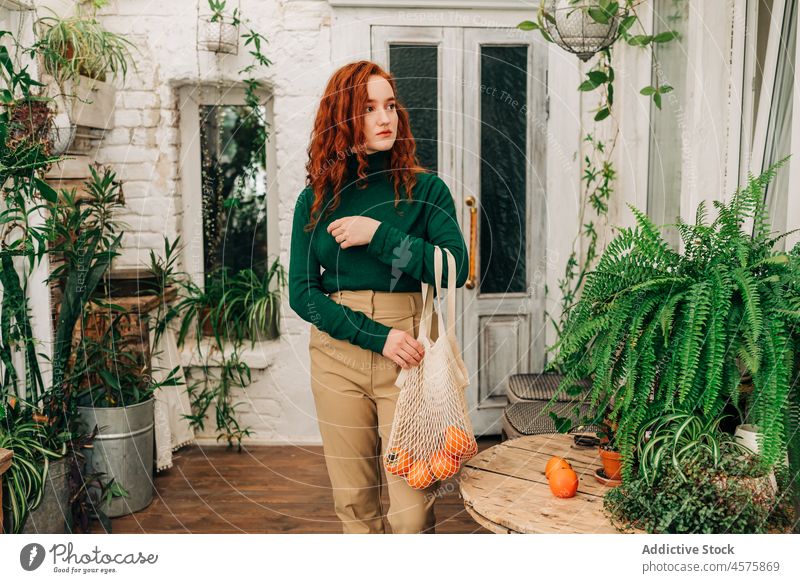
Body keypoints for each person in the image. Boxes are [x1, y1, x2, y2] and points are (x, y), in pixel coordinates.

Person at [288, 60, 469, 534]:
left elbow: (454, 269)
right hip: (337, 353)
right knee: (356, 509)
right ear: (344, 118)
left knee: (414, 513)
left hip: (408, 356)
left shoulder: (426, 190)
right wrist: (375, 336)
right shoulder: (315, 199)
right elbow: (302, 293)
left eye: (390, 105)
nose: (385, 118)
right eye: (369, 108)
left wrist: (379, 235)